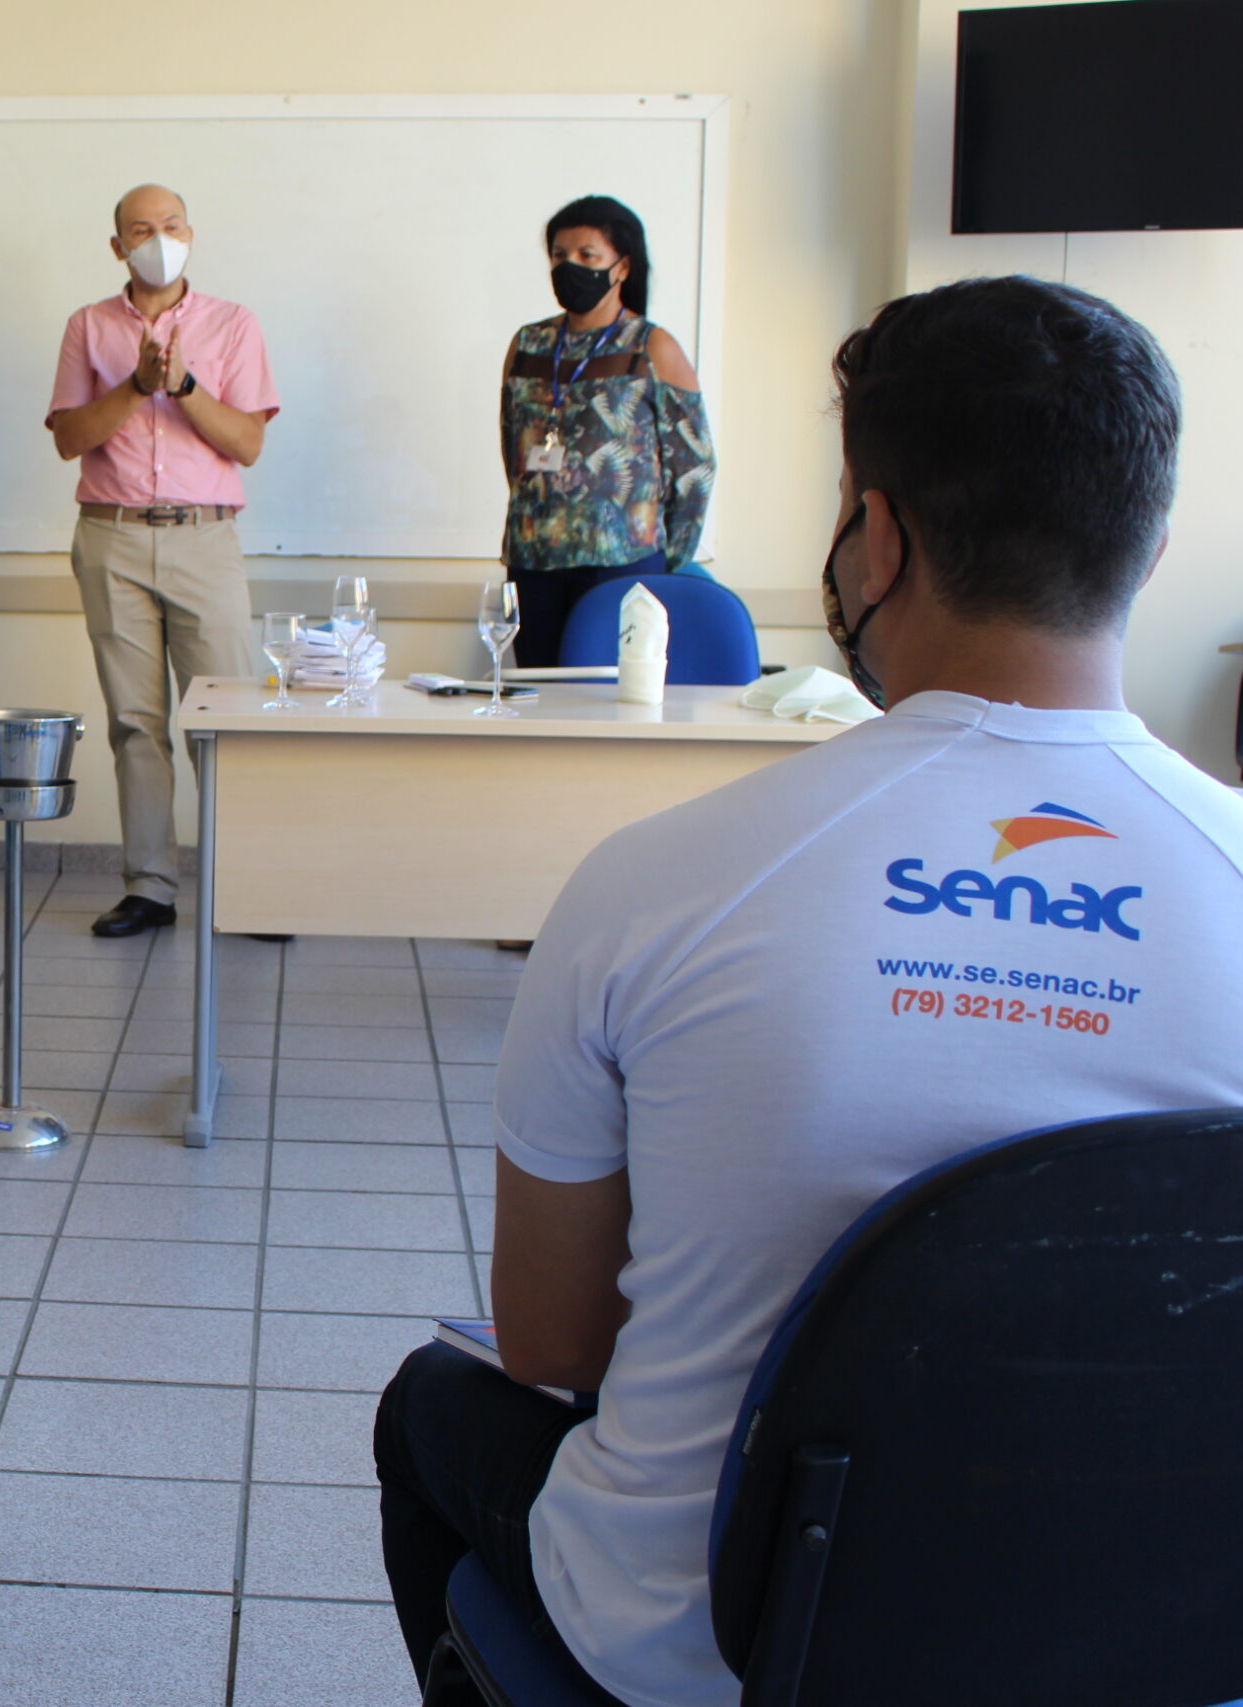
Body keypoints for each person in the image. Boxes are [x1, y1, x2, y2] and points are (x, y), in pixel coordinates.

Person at [376, 275, 1243, 1706]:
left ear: (876, 535)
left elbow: (554, 1342)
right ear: (1148, 548)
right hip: (1165, 1649)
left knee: (435, 1406)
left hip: (712, 1650)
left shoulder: (657, 882)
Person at [46, 184, 278, 938]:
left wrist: (179, 385)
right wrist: (136, 385)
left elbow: (246, 442)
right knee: (135, 721)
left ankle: (249, 884)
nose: (159, 238)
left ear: (191, 234)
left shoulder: (232, 324)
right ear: (117, 246)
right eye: (141, 229)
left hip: (204, 538)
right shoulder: (88, 325)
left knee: (228, 717)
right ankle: (150, 886)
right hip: (112, 536)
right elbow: (70, 436)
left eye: (171, 225)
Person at [497, 195, 715, 668]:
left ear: (622, 267)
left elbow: (694, 467)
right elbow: (512, 445)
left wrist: (663, 562)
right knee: (541, 705)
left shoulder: (651, 346)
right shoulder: (528, 343)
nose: (568, 266)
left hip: (623, 565)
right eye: (559, 255)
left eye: (586, 256)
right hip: (533, 561)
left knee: (609, 705)